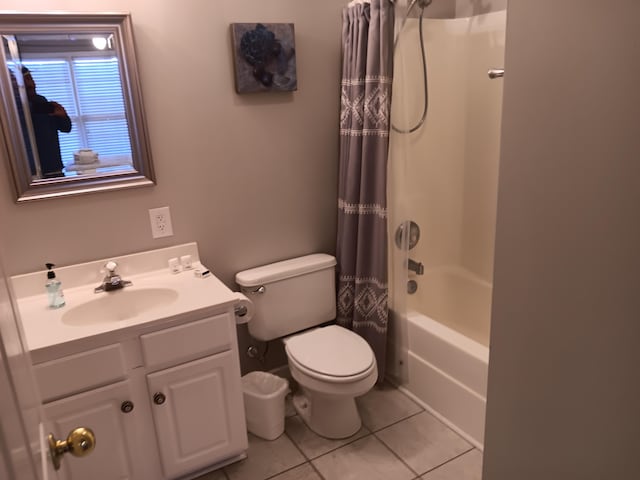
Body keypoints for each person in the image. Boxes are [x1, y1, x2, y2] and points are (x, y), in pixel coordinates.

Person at [22, 66, 72, 178]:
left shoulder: (42, 102)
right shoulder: (17, 109)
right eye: (26, 80)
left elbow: (66, 128)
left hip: (54, 168)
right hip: (31, 172)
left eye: (31, 79)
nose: (32, 84)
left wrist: (63, 116)